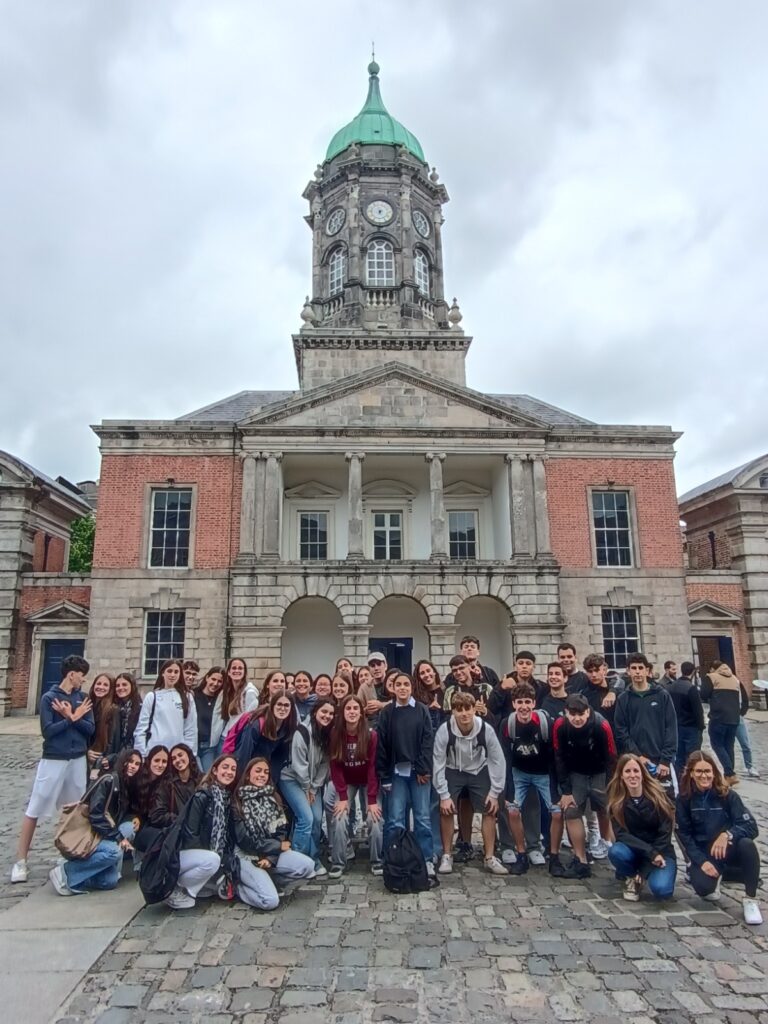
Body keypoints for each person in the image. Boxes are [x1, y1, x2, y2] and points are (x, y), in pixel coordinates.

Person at [12, 653, 94, 884]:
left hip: (77, 759)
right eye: (82, 675)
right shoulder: (49, 698)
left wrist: (72, 716)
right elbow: (48, 731)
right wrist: (70, 718)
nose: (83, 680)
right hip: (54, 758)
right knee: (36, 806)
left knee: (75, 809)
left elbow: (89, 730)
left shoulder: (83, 698)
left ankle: (71, 853)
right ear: (71, 674)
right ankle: (21, 861)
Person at [676, 751, 762, 924]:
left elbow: (751, 826)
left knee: (747, 845)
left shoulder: (728, 795)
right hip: (705, 853)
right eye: (699, 771)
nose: (704, 776)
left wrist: (727, 835)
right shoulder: (684, 799)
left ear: (714, 772)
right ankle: (724, 874)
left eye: (708, 771)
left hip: (728, 848)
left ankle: (750, 899)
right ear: (691, 773)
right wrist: (701, 861)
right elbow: (685, 835)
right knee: (704, 890)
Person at [432, 691, 507, 875]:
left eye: (468, 709)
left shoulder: (485, 729)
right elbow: (438, 763)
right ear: (453, 711)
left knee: (489, 809)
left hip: (478, 769)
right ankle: (447, 854)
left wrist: (495, 792)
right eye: (459, 710)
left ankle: (489, 857)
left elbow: (498, 760)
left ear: (474, 709)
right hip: (452, 769)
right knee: (446, 809)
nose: (464, 714)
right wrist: (444, 795)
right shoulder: (444, 730)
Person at [48, 748, 140, 896]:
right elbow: (96, 815)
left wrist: (133, 818)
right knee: (114, 852)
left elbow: (123, 813)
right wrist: (118, 838)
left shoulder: (127, 785)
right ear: (122, 761)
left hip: (105, 832)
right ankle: (65, 873)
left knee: (110, 881)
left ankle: (80, 872)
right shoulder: (109, 780)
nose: (133, 766)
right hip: (93, 832)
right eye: (130, 762)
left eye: (137, 764)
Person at [499, 683, 568, 877]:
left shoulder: (545, 723)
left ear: (534, 703)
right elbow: (505, 757)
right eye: (520, 702)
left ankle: (554, 856)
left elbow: (556, 755)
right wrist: (508, 790)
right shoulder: (507, 724)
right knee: (513, 810)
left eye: (527, 702)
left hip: (544, 773)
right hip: (519, 772)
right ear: (514, 704)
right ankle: (521, 853)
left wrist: (557, 788)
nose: (524, 707)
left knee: (556, 813)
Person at [232, 757, 316, 909]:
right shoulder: (237, 802)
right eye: (258, 771)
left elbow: (281, 833)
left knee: (308, 866)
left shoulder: (273, 797)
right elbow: (244, 840)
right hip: (247, 856)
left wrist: (271, 858)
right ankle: (238, 888)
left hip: (270, 852)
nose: (262, 775)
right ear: (248, 775)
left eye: (266, 772)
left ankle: (271, 879)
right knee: (270, 901)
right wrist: (276, 847)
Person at [376, 673, 435, 876]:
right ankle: (395, 858)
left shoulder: (421, 710)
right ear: (393, 688)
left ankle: (426, 859)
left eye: (406, 684)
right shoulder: (387, 712)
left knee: (422, 818)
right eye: (398, 684)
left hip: (419, 773)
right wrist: (384, 776)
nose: (402, 688)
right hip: (396, 773)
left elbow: (427, 740)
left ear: (411, 687)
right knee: (395, 819)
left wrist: (423, 768)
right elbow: (382, 745)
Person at [552, 694, 617, 877]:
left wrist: (611, 787)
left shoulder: (601, 725)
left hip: (600, 771)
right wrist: (566, 791)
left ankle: (614, 851)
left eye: (581, 714)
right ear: (566, 713)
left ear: (588, 712)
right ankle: (580, 859)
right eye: (572, 714)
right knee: (572, 811)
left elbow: (611, 757)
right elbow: (558, 757)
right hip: (576, 772)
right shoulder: (560, 725)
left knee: (608, 810)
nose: (577, 718)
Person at [325, 694, 383, 878]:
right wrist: (342, 797)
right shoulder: (335, 734)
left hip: (368, 780)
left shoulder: (371, 735)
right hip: (347, 781)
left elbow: (373, 767)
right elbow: (335, 767)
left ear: (361, 712)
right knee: (339, 816)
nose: (352, 712)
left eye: (355, 708)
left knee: (374, 818)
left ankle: (377, 860)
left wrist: (372, 800)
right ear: (342, 712)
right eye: (348, 708)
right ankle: (339, 862)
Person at [606, 754, 676, 901]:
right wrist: (650, 853)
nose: (632, 775)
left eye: (636, 771)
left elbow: (665, 834)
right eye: (628, 771)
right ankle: (631, 875)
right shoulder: (616, 803)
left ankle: (644, 875)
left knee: (662, 890)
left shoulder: (659, 797)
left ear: (643, 774)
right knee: (616, 851)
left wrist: (647, 866)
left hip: (660, 851)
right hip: (635, 850)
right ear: (621, 776)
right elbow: (621, 835)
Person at [173, 755, 238, 910]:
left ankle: (198, 885)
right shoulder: (202, 795)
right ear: (215, 770)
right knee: (213, 861)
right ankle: (178, 888)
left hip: (209, 854)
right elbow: (191, 832)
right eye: (225, 767)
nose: (229, 772)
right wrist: (207, 857)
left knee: (215, 884)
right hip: (189, 852)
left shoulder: (226, 798)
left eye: (233, 769)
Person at [279, 698, 335, 874]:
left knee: (317, 819)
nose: (327, 716)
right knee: (306, 818)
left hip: (311, 784)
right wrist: (306, 788)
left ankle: (313, 858)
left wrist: (314, 787)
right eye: (324, 712)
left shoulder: (327, 734)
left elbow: (325, 764)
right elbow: (299, 764)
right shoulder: (302, 732)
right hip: (292, 780)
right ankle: (297, 861)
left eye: (331, 713)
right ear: (315, 711)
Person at [613, 653, 677, 792]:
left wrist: (666, 760)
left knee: (665, 800)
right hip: (634, 762)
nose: (637, 671)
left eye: (640, 668)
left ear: (647, 671)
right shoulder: (623, 699)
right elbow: (621, 731)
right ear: (628, 671)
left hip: (660, 761)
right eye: (634, 668)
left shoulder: (662, 695)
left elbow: (671, 728)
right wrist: (637, 755)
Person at [134, 659, 198, 757]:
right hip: (155, 752)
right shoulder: (152, 696)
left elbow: (191, 729)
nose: (172, 675)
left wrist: (190, 754)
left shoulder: (187, 697)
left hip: (177, 754)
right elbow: (141, 728)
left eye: (176, 672)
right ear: (163, 673)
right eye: (169, 671)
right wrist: (141, 754)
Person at [700, 660, 749, 785]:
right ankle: (729, 775)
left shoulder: (711, 677)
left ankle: (729, 773)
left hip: (719, 717)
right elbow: (744, 697)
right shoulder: (735, 679)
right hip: (734, 718)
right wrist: (741, 712)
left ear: (713, 669)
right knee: (729, 746)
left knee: (717, 745)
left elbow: (704, 694)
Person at [663, 661, 705, 777]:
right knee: (693, 758)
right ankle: (690, 781)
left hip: (676, 727)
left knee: (679, 758)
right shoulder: (691, 688)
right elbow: (698, 711)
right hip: (691, 728)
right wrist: (701, 727)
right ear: (693, 672)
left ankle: (679, 781)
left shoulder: (670, 687)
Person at [210, 658, 259, 753]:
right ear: (229, 672)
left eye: (240, 668)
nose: (237, 670)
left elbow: (249, 720)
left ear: (245, 672)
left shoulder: (250, 692)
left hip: (237, 739)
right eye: (234, 668)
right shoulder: (227, 691)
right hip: (224, 737)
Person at [148, 744, 201, 829]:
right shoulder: (166, 783)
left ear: (189, 755)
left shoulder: (202, 781)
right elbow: (157, 815)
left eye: (180, 755)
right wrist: (181, 820)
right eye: (174, 758)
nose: (178, 760)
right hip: (175, 830)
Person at [488, 651, 544, 719]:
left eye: (528, 663)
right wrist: (501, 688)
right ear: (515, 666)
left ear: (534, 667)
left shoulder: (540, 687)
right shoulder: (505, 683)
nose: (524, 666)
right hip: (508, 723)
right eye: (520, 663)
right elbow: (491, 708)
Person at [104, 671, 142, 769]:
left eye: (124, 684)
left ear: (132, 686)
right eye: (117, 686)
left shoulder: (140, 708)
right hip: (115, 753)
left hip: (131, 754)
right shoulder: (115, 708)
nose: (121, 688)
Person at [194, 667, 225, 771]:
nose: (215, 684)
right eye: (213, 679)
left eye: (219, 681)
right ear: (207, 678)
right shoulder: (194, 695)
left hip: (209, 747)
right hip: (193, 744)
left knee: (208, 775)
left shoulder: (221, 700)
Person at [86, 673, 117, 779]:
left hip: (100, 759)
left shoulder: (112, 710)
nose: (101, 687)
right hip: (85, 756)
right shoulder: (87, 706)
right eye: (98, 683)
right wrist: (86, 751)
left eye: (105, 685)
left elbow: (112, 738)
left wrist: (106, 758)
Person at [357, 653, 390, 726]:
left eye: (379, 664)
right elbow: (357, 709)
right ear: (369, 669)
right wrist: (366, 710)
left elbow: (401, 702)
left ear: (385, 666)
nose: (376, 668)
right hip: (372, 727)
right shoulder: (364, 687)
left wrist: (381, 705)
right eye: (373, 665)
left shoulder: (393, 682)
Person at [736, 710, 760, 778]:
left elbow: (745, 703)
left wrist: (741, 713)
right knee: (728, 746)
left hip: (738, 717)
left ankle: (749, 767)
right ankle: (729, 769)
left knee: (745, 744)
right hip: (725, 718)